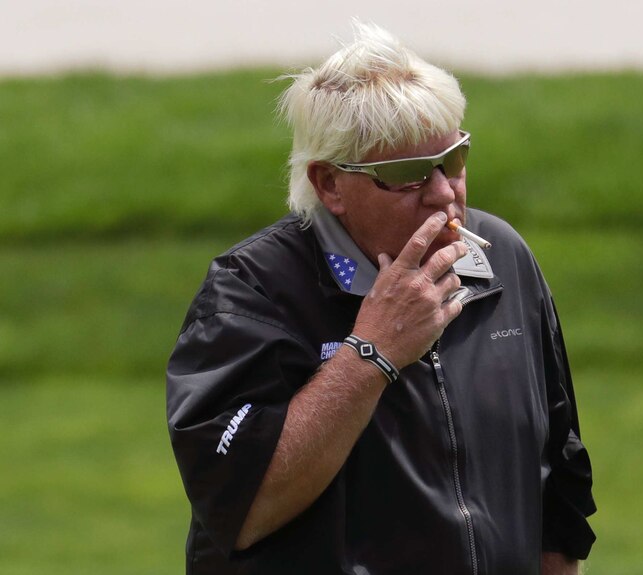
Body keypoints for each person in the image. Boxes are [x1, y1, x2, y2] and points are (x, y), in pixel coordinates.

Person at [166, 22, 596, 575]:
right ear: (329, 184)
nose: (444, 192)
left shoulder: (502, 259)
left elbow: (557, 471)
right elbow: (243, 508)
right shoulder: (249, 293)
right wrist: (373, 351)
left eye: (454, 160)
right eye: (408, 175)